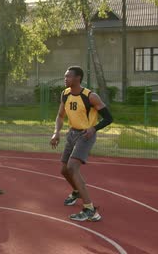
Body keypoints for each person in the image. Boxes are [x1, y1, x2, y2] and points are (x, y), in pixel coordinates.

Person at [50, 66, 113, 222]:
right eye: (65, 76)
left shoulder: (91, 96)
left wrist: (94, 128)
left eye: (68, 77)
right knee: (64, 170)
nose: (65, 79)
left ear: (78, 78)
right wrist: (56, 132)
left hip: (86, 135)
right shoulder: (65, 94)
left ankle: (90, 210)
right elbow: (60, 116)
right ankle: (77, 191)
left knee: (72, 167)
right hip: (72, 133)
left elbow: (109, 118)